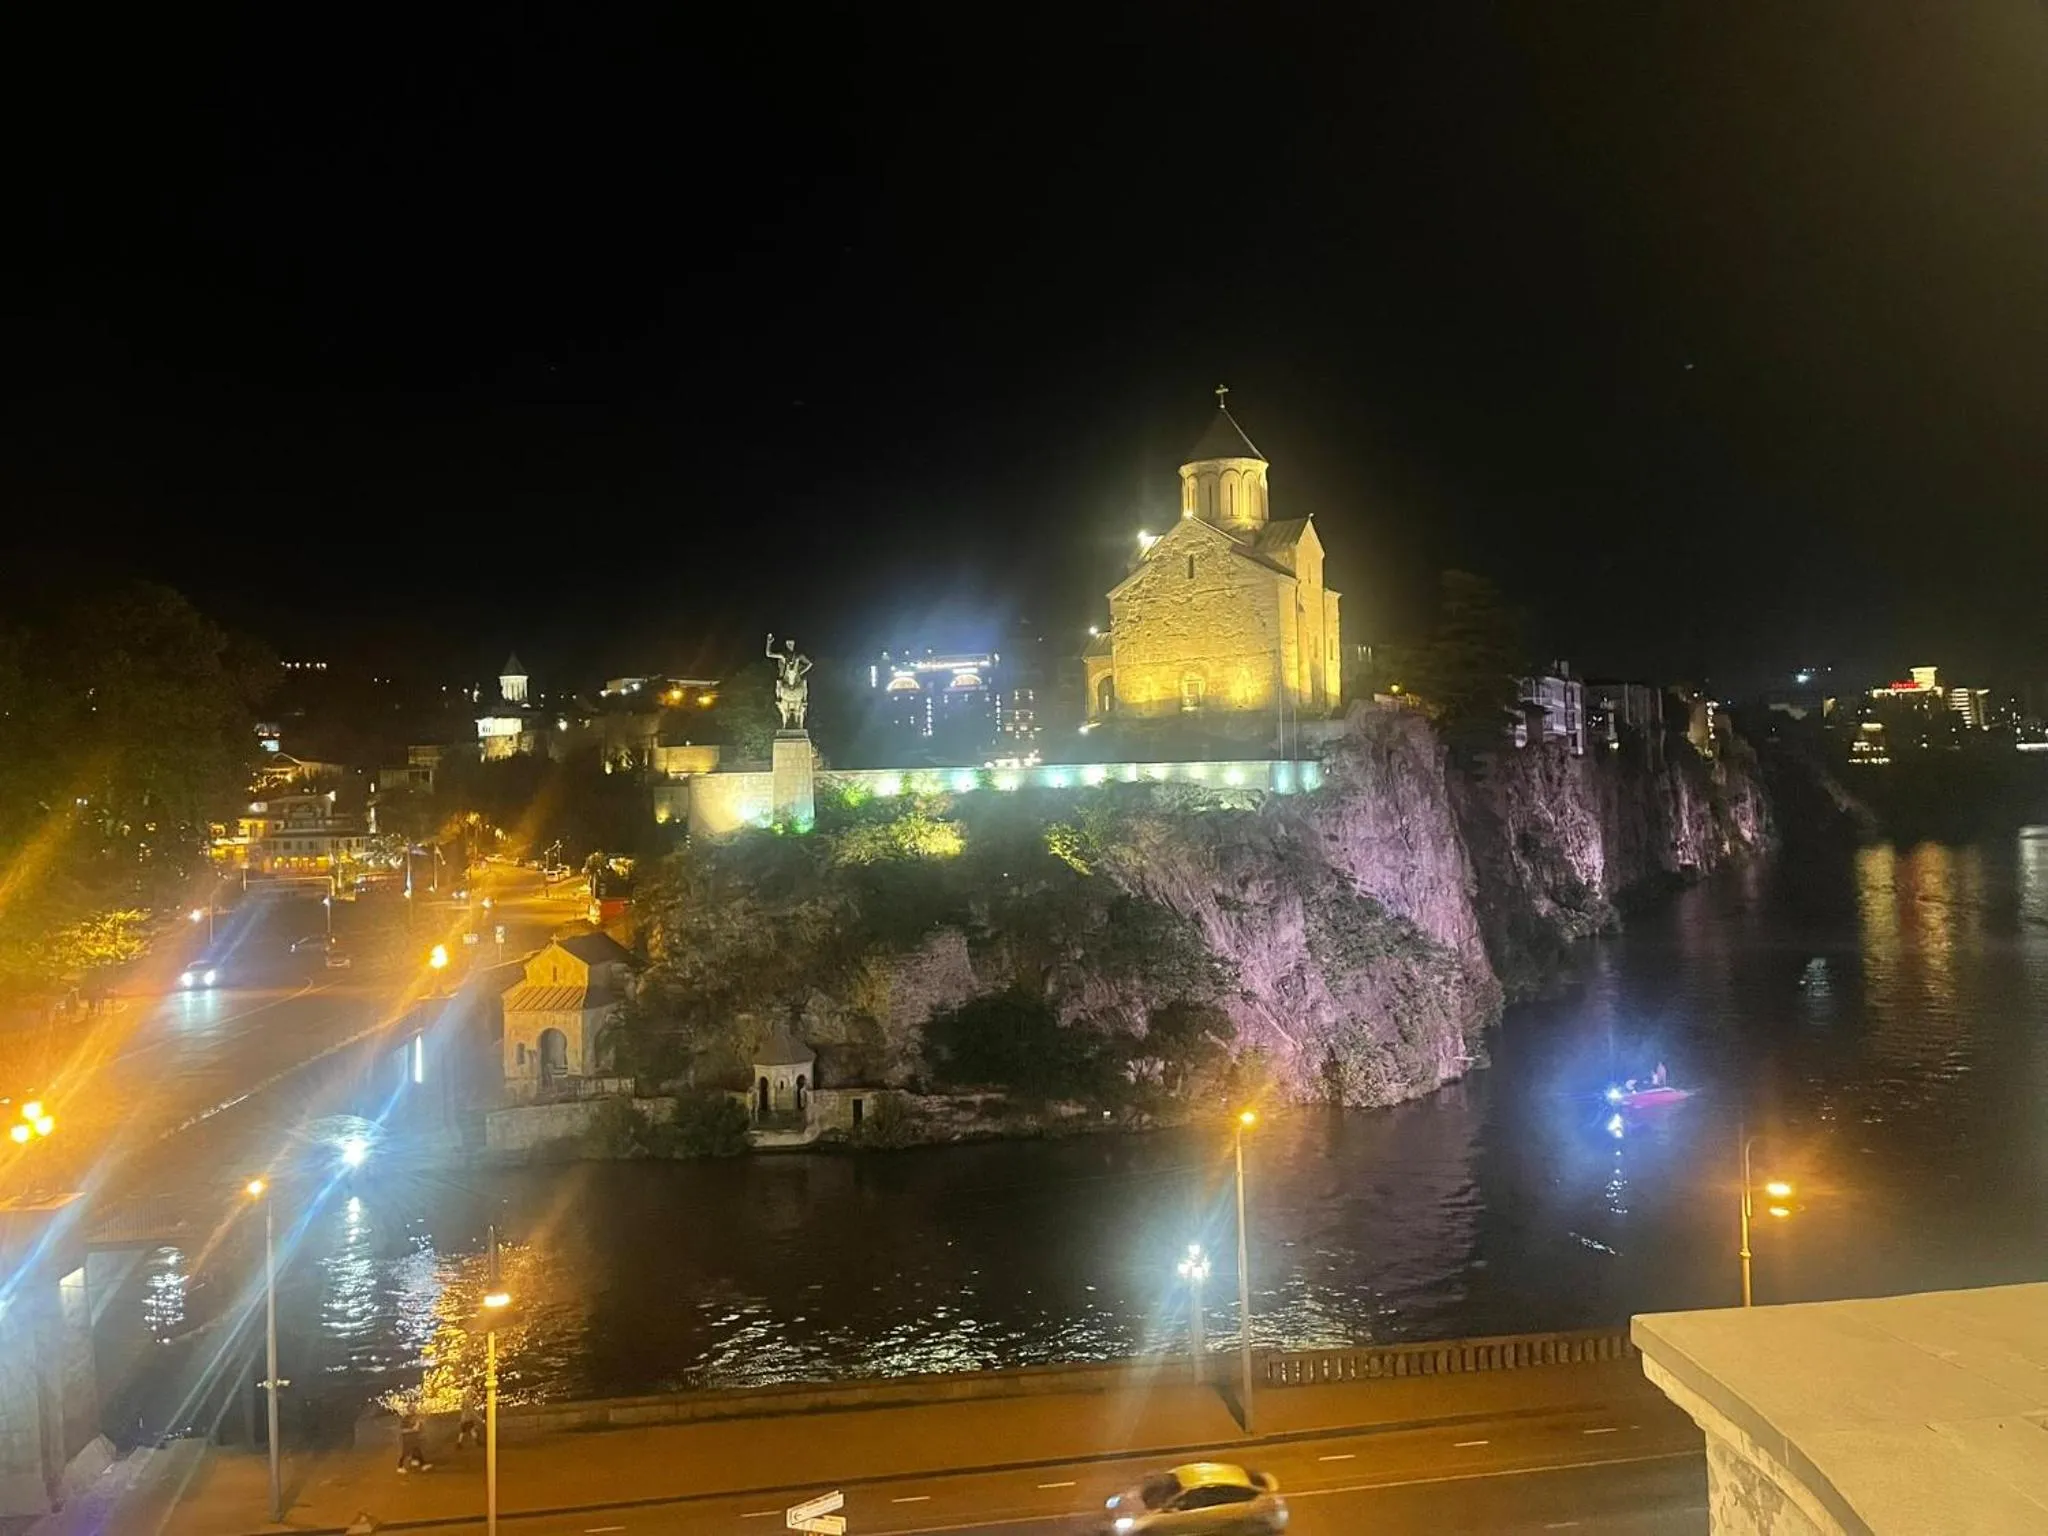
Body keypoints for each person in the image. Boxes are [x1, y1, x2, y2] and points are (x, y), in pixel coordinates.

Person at [396, 1403, 431, 1473]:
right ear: (409, 1409)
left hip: (414, 1438)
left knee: (417, 1450)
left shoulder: (416, 1417)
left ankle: (422, 1464)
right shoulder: (405, 1419)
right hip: (407, 1439)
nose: (415, 1409)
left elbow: (419, 1426)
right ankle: (400, 1467)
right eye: (413, 1408)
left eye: (415, 1407)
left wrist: (420, 1424)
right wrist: (412, 1430)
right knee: (405, 1453)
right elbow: (402, 1430)